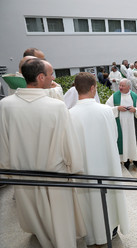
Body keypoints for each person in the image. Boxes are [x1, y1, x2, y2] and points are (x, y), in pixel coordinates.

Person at [0, 58, 86, 248]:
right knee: (59, 220)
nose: (53, 77)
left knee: (36, 217)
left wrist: (6, 169)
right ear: (40, 77)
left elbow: (3, 142)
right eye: (50, 73)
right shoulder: (56, 106)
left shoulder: (5, 105)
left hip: (22, 174)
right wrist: (75, 167)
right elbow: (69, 141)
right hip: (54, 175)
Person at [69, 72, 129, 245]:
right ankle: (110, 229)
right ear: (93, 88)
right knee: (108, 198)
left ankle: (91, 235)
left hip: (84, 168)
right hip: (106, 165)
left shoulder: (69, 114)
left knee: (87, 202)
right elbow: (115, 136)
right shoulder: (105, 111)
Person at [106, 79, 137, 169]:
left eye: (122, 86)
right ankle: (126, 160)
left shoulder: (134, 96)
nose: (120, 87)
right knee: (123, 142)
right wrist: (117, 108)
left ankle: (136, 160)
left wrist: (135, 110)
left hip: (132, 124)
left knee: (133, 142)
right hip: (121, 124)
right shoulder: (115, 96)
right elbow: (107, 108)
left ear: (128, 87)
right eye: (120, 85)